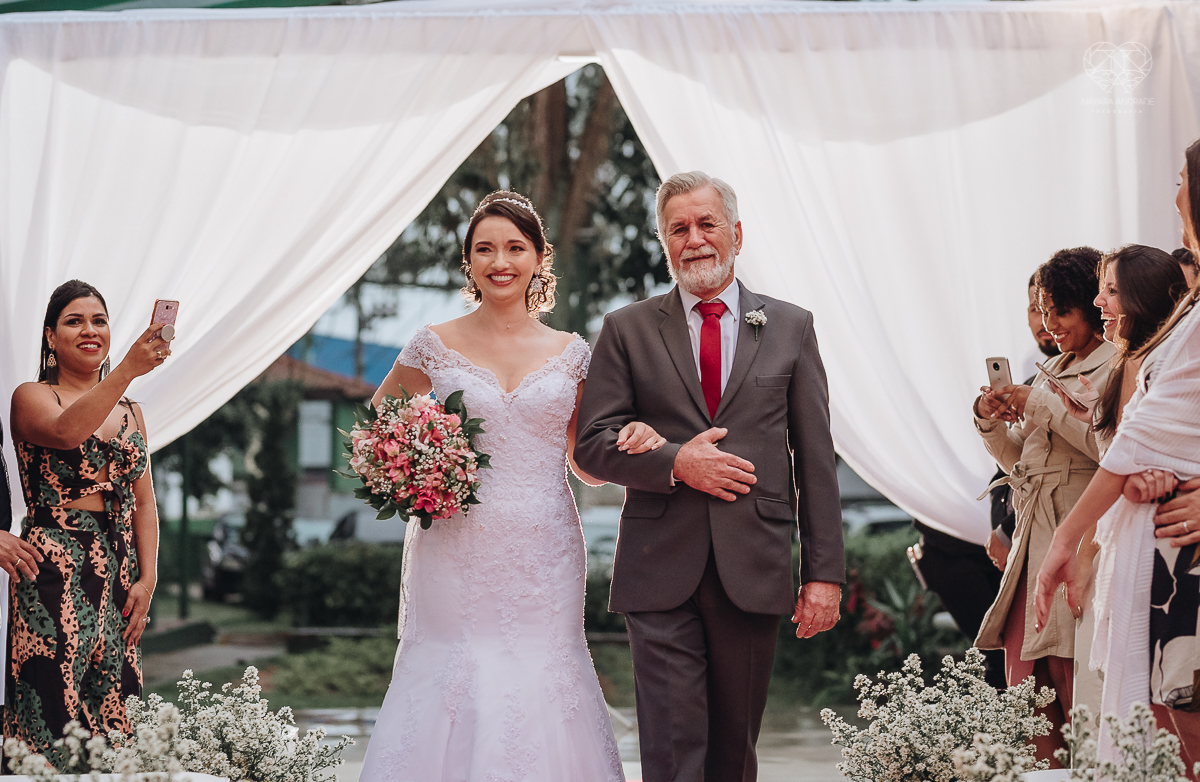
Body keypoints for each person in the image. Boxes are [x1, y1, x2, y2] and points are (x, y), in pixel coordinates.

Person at [359, 191, 660, 782]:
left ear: (538, 257)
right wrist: (419, 472)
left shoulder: (571, 353)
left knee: (544, 672)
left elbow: (585, 461)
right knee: (452, 667)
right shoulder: (431, 344)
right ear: (468, 262)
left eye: (515, 247)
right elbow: (377, 428)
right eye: (485, 248)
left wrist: (634, 442)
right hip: (454, 544)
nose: (501, 260)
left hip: (544, 548)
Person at [574, 171, 845, 782]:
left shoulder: (792, 327)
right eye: (678, 228)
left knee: (732, 754)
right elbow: (591, 447)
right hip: (658, 566)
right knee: (672, 751)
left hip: (754, 564)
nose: (694, 239)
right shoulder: (627, 329)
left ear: (737, 234)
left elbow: (815, 456)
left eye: (706, 224)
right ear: (664, 242)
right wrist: (675, 462)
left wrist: (823, 575)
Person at [1036, 140, 1200, 773]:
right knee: (1150, 712)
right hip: (1141, 538)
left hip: (1166, 544)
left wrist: (1068, 542)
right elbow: (1144, 441)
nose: (1176, 192)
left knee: (1168, 714)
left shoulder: (1144, 352)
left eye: (1184, 178)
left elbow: (1144, 434)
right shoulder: (1176, 326)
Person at [6, 280, 169, 764]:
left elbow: (145, 502)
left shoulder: (132, 411)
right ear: (51, 337)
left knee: (115, 703)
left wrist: (148, 577)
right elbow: (67, 432)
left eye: (99, 320)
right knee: (55, 704)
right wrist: (126, 372)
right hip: (52, 563)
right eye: (74, 321)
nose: (89, 330)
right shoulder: (33, 396)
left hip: (118, 569)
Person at [972, 247, 1116, 764]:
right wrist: (991, 420)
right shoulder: (1051, 367)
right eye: (1042, 309)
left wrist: (1037, 404)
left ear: (1090, 307)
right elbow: (1021, 462)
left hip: (1078, 535)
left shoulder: (1116, 364)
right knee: (1031, 696)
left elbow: (1108, 449)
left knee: (1074, 677)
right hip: (1034, 540)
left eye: (1060, 310)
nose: (1050, 323)